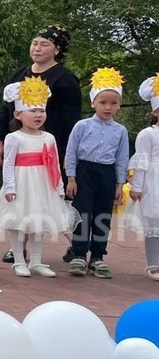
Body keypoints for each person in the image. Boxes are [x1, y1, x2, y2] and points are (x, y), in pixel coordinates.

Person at [0, 25, 81, 264]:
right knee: (21, 197)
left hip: (50, 148)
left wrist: (68, 154)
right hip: (19, 146)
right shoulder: (19, 74)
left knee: (48, 199)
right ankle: (17, 248)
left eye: (45, 44)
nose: (37, 48)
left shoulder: (65, 79)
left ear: (57, 49)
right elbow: (4, 110)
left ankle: (77, 245)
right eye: (35, 43)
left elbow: (72, 120)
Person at [0, 77, 78, 277]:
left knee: (39, 223)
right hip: (22, 184)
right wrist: (10, 187)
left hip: (42, 185)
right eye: (33, 110)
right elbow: (8, 164)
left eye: (41, 110)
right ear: (18, 114)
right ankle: (19, 261)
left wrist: (59, 188)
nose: (38, 115)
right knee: (19, 223)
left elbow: (54, 164)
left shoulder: (49, 138)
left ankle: (36, 261)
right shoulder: (13, 138)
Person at [64, 68, 128, 278]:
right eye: (103, 102)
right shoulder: (82, 126)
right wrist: (71, 177)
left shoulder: (120, 131)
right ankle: (79, 254)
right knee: (82, 214)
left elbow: (122, 158)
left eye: (113, 103)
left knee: (103, 215)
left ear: (119, 105)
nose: (108, 107)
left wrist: (120, 184)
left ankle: (98, 257)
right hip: (84, 171)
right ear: (93, 103)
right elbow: (71, 152)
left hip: (107, 174)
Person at [126, 74, 159, 281]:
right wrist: (137, 187)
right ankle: (154, 264)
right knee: (154, 226)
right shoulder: (148, 134)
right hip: (154, 186)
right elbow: (141, 162)